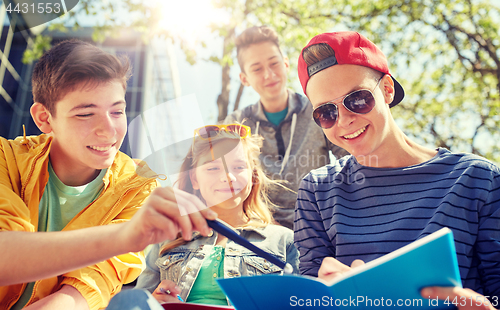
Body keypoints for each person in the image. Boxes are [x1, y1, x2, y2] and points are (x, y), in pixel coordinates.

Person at [0, 40, 215, 310]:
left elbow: (92, 282)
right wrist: (125, 235)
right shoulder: (5, 159)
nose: (110, 130)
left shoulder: (138, 185)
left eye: (117, 111)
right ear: (44, 118)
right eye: (86, 114)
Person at [294, 31, 500, 309]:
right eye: (326, 112)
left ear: (387, 90)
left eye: (357, 99)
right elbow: (306, 300)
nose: (343, 120)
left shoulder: (478, 179)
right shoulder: (316, 191)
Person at [106, 124, 299, 309]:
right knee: (127, 299)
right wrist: (156, 302)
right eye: (213, 168)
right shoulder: (167, 239)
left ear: (253, 176)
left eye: (239, 167)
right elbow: (141, 301)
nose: (228, 177)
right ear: (194, 179)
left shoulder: (285, 240)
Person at [223, 26, 348, 229]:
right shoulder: (235, 125)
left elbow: (351, 157)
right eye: (257, 69)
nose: (269, 74)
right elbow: (223, 181)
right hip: (259, 228)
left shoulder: (318, 109)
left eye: (274, 63)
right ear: (244, 78)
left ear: (286, 63)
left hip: (321, 221)